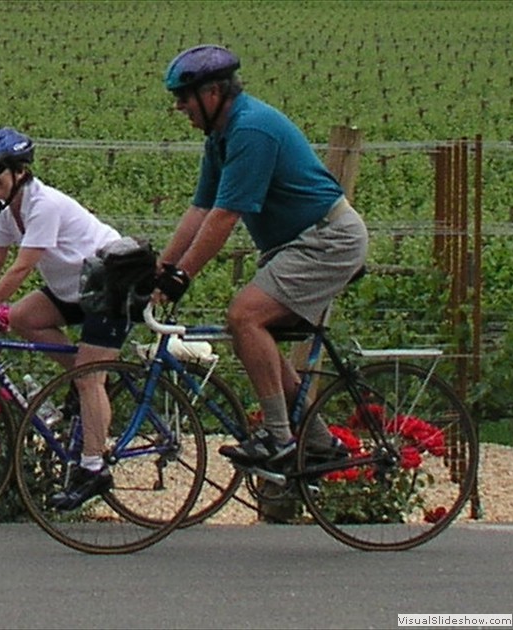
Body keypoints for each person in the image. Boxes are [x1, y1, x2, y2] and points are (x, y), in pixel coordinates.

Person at [154, 45, 369, 468]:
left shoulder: (251, 130)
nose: (179, 107)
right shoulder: (221, 137)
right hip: (296, 244)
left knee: (245, 316)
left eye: (184, 97)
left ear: (213, 93)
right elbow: (199, 210)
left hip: (327, 239)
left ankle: (279, 438)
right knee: (256, 337)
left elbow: (224, 216)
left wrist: (183, 276)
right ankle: (319, 440)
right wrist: (163, 269)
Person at [0, 126, 129, 509]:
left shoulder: (43, 204)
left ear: (20, 170)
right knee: (22, 317)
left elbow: (21, 268)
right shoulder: (9, 208)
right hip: (75, 286)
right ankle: (90, 380)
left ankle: (93, 469)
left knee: (86, 377)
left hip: (109, 285)